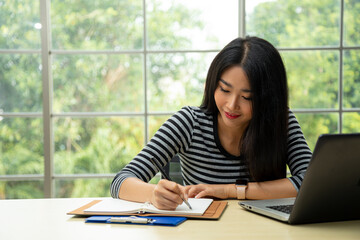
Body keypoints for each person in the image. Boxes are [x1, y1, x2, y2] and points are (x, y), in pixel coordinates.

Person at [110, 36, 312, 210]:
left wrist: (229, 191)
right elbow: (121, 181)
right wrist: (154, 194)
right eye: (224, 90)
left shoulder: (281, 122)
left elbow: (311, 183)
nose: (232, 105)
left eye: (247, 97)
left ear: (268, 100)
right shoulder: (189, 122)